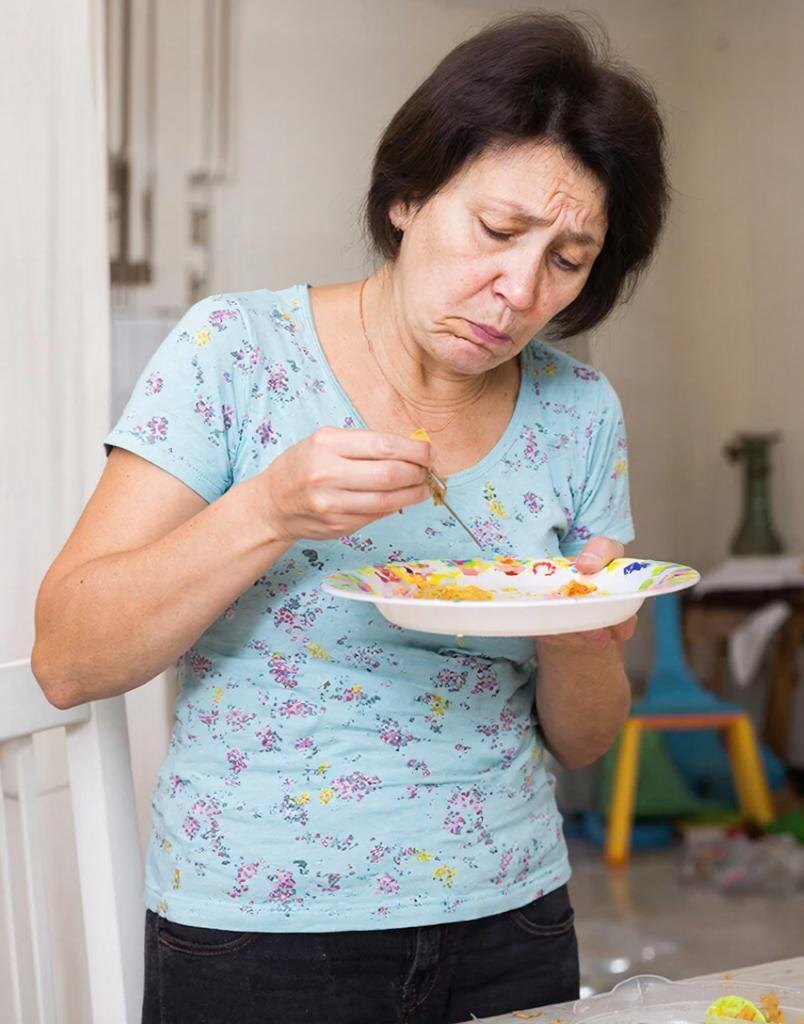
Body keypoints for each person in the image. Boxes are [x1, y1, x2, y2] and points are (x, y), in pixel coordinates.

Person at [32, 12, 669, 1023]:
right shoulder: (234, 353)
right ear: (408, 195)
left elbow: (584, 740)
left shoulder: (578, 411)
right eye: (498, 232)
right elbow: (69, 653)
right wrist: (270, 508)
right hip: (252, 933)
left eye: (568, 258)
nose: (516, 290)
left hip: (511, 921)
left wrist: (583, 629)